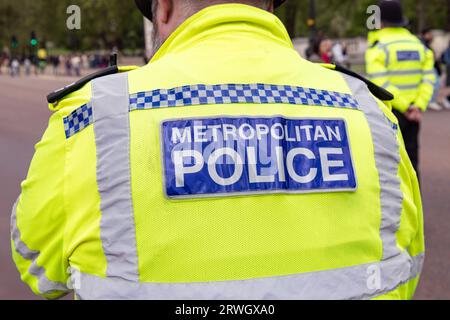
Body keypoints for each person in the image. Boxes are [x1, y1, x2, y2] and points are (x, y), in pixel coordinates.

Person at [11, 0, 424, 300]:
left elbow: (37, 263)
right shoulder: (368, 109)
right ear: (269, 8)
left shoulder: (93, 115)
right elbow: (405, 265)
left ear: (165, 7)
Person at [365, 0, 436, 178]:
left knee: (390, 165)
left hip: (391, 112)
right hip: (415, 113)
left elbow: (381, 83)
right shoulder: (419, 45)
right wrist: (417, 106)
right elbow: (429, 78)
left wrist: (404, 107)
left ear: (380, 22)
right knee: (412, 163)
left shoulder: (379, 46)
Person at [420, 28, 443, 111]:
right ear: (424, 35)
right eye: (429, 34)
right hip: (428, 67)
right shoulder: (422, 44)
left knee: (434, 83)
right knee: (434, 83)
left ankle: (430, 101)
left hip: (430, 66)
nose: (431, 36)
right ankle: (430, 101)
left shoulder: (426, 43)